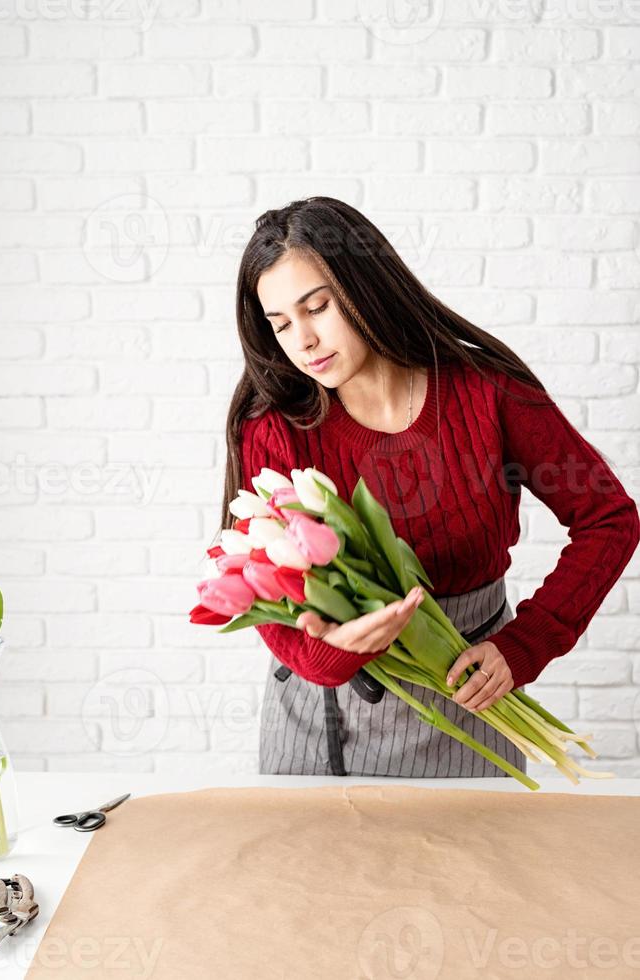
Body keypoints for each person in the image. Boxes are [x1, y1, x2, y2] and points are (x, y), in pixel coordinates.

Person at [214, 196, 640, 778]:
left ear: (366, 286)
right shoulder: (274, 427)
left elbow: (608, 518)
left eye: (318, 307)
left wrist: (525, 645)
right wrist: (343, 645)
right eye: (281, 324)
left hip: (470, 701)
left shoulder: (489, 393)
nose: (304, 340)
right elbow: (273, 607)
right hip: (322, 723)